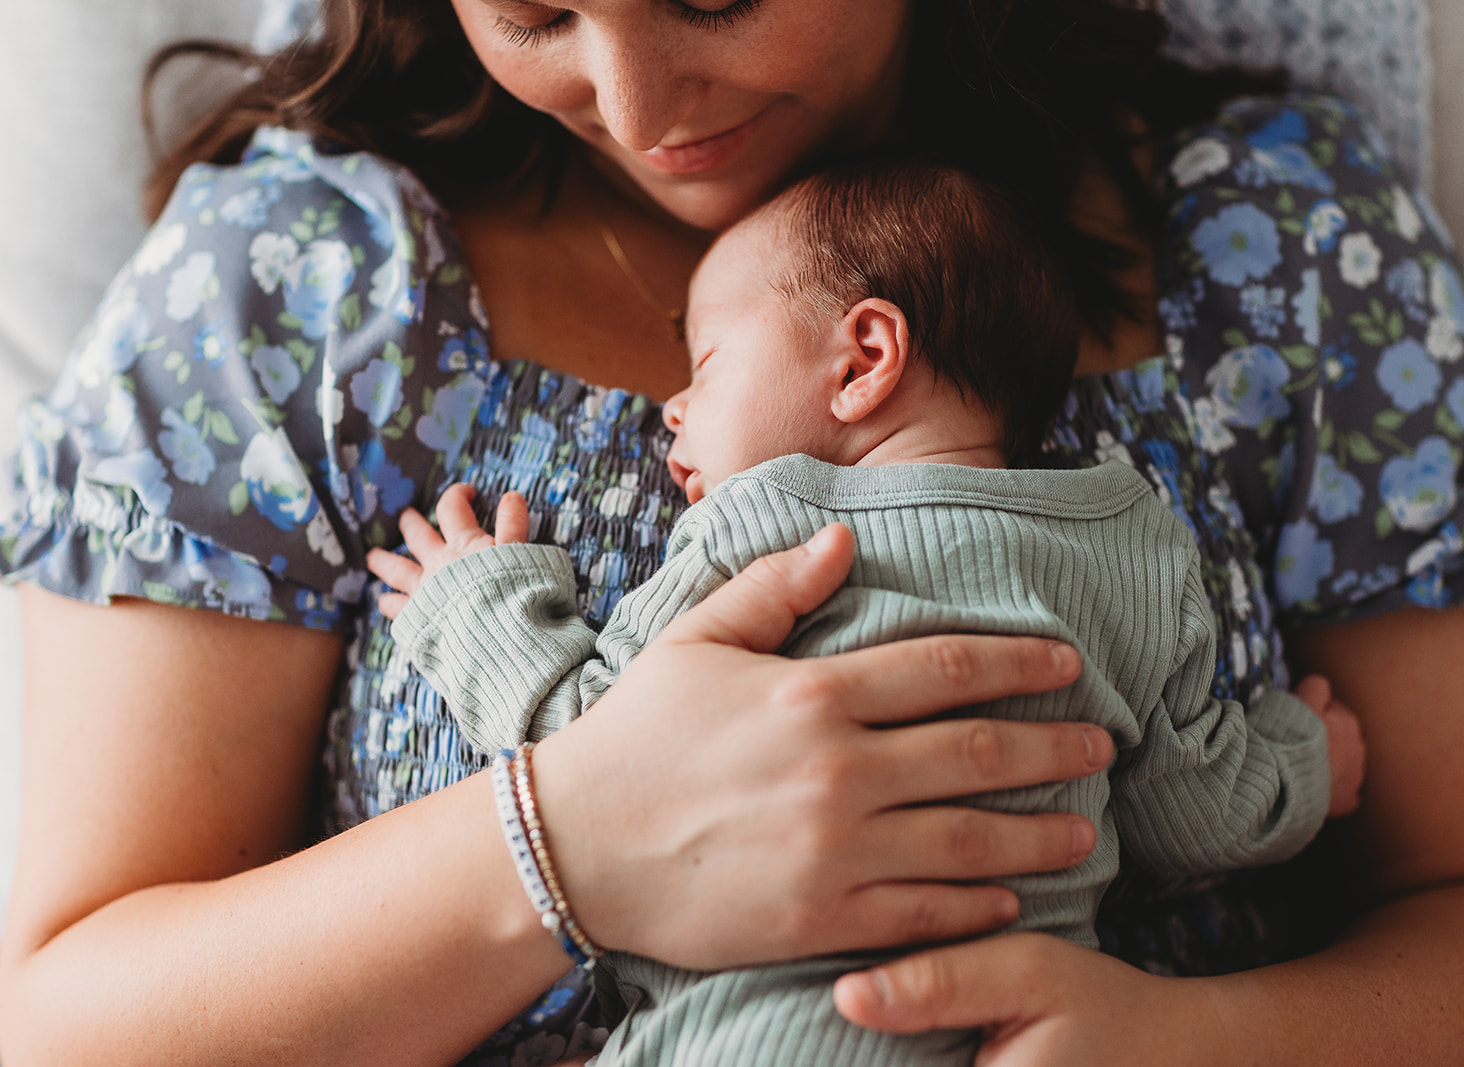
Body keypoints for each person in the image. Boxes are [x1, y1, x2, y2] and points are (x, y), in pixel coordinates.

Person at [0, 1, 1464, 1064]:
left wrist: (1188, 1042)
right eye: (539, 10)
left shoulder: (1272, 248)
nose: (637, 104)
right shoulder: (302, 291)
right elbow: (68, 1015)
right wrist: (563, 842)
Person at [368, 159, 1366, 1066]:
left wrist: (473, 602)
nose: (672, 405)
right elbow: (1191, 811)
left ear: (862, 360)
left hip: (754, 1035)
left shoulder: (760, 523)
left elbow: (590, 741)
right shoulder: (1128, 544)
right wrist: (1307, 759)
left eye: (706, 363)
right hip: (1011, 1027)